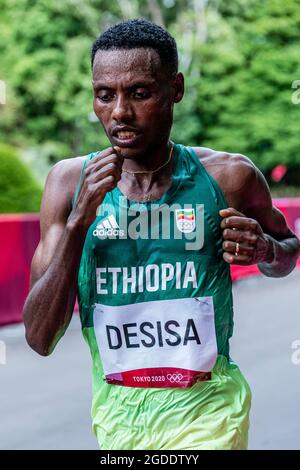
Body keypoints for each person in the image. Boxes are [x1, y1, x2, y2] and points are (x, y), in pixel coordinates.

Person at [23, 19, 300, 450]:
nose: (119, 112)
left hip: (210, 412)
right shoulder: (67, 184)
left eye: (139, 93)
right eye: (104, 94)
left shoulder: (228, 177)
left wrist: (264, 248)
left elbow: (288, 253)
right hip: (119, 418)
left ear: (176, 88)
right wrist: (80, 222)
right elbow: (39, 338)